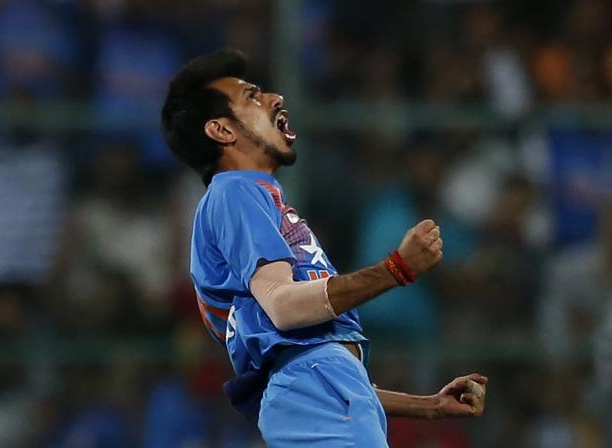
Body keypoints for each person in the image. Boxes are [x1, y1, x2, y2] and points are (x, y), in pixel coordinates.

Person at [160, 48, 487, 447]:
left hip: (321, 390)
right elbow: (283, 306)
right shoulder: (236, 192)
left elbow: (305, 360)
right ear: (222, 131)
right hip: (315, 390)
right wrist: (396, 269)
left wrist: (428, 406)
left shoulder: (253, 201)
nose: (274, 98)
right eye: (251, 96)